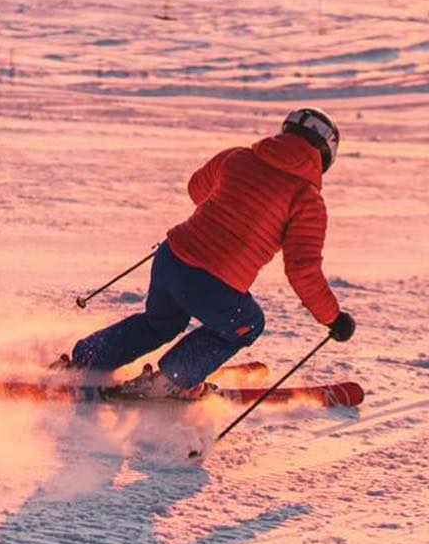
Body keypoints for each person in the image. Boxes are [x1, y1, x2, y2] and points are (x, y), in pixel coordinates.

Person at [66, 107, 356, 399]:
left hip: (172, 258)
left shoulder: (238, 157)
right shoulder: (306, 199)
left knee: (159, 323)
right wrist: (333, 319)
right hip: (212, 284)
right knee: (248, 323)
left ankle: (88, 358)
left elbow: (197, 189)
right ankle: (171, 382)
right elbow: (302, 270)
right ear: (326, 154)